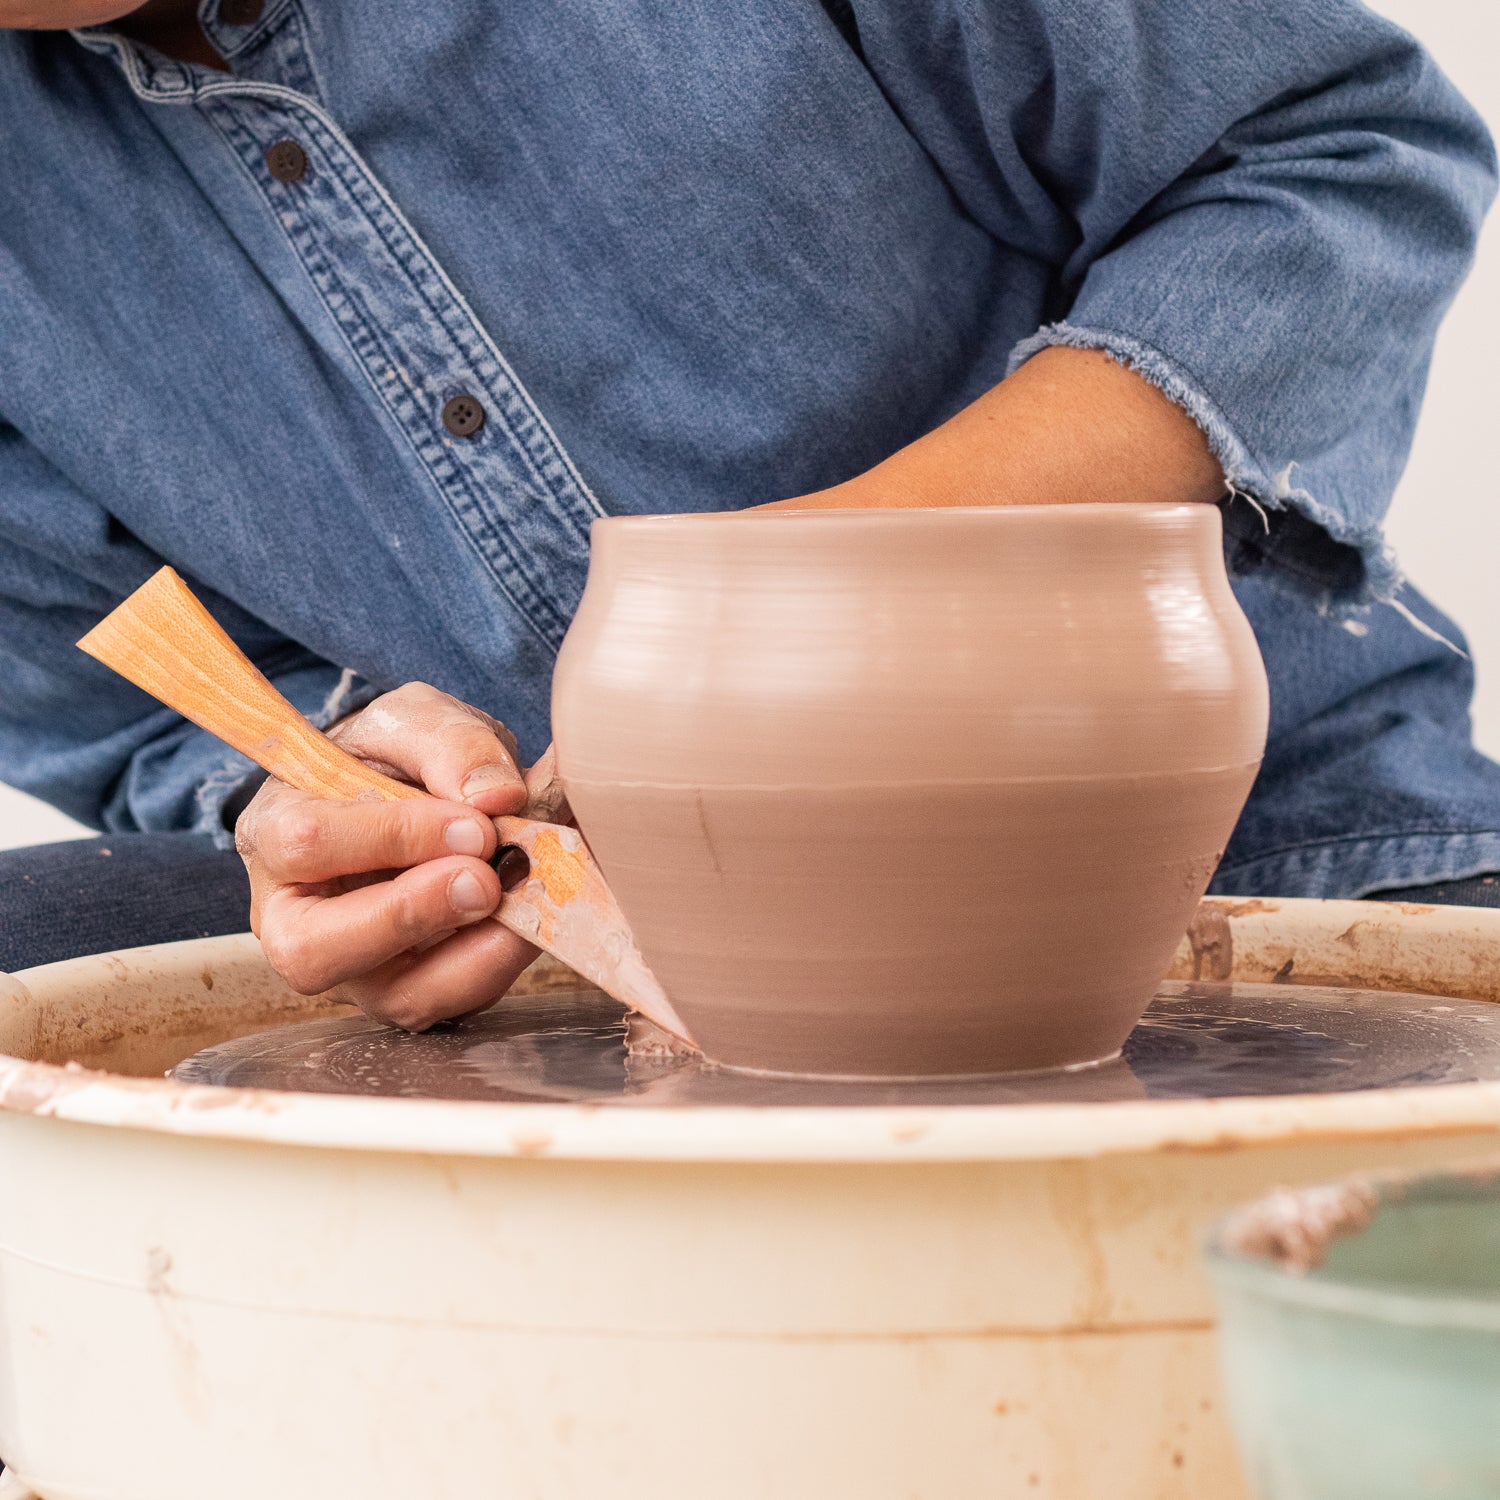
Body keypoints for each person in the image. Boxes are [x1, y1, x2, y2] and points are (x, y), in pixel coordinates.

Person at [1, 0, 1497, 1028]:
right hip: (580, 960)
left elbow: (1334, 160)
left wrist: (824, 596)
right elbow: (132, 700)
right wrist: (326, 801)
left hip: (1268, 851)